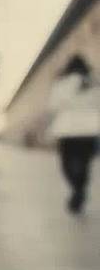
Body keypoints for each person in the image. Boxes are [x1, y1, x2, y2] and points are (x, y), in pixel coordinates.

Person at [48, 55, 100, 213]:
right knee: (84, 164)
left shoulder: (62, 83)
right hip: (89, 130)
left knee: (67, 165)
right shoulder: (94, 83)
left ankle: (77, 189)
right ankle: (80, 190)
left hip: (68, 130)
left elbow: (53, 106)